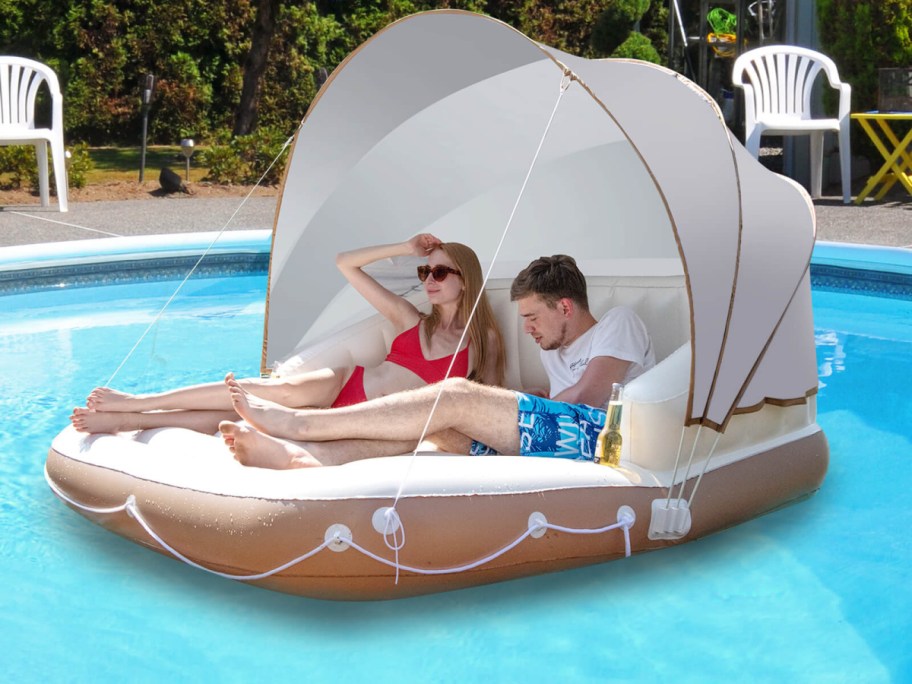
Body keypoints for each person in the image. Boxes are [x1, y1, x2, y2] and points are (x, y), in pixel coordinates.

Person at [218, 254, 655, 469]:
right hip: (555, 434)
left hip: (600, 439)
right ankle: (306, 456)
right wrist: (526, 399)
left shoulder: (618, 323)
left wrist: (528, 402)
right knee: (436, 426)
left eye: (533, 317)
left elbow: (589, 398)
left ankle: (300, 424)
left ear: (565, 307)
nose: (527, 329)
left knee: (455, 395)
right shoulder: (555, 349)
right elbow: (564, 399)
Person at [70, 234, 506, 435]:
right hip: (347, 383)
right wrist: (403, 248)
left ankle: (130, 421)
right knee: (269, 391)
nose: (429, 280)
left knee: (245, 417)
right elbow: (344, 261)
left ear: (465, 278)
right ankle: (138, 404)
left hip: (375, 418)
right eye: (424, 271)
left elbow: (491, 399)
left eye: (440, 272)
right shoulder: (410, 318)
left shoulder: (482, 339)